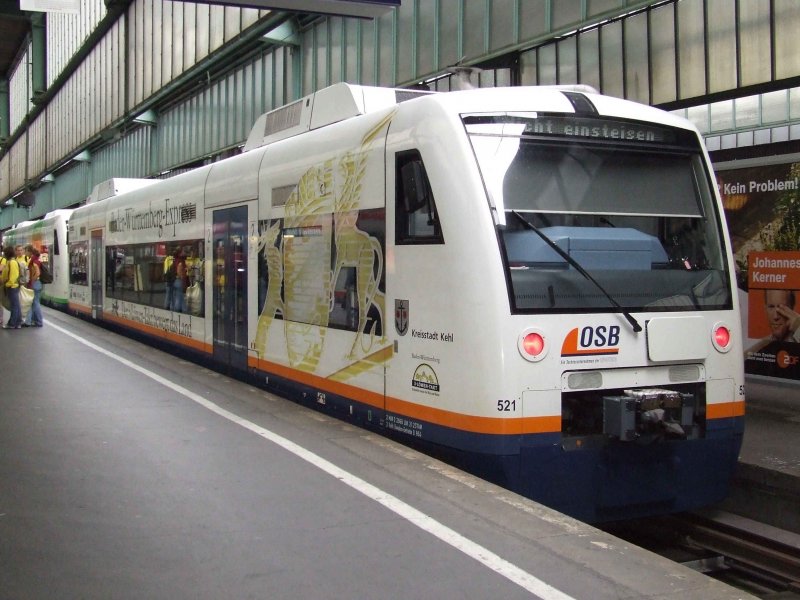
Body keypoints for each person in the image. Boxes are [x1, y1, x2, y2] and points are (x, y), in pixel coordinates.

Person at [1, 246, 22, 329]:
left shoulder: (12, 262)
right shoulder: (10, 262)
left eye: (4, 253)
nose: (3, 254)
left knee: (14, 306)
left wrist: (7, 284)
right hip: (12, 286)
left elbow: (13, 276)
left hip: (12, 287)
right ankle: (18, 322)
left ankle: (12, 323)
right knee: (16, 305)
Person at [23, 247, 43, 327]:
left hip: (35, 283)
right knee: (33, 303)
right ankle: (31, 321)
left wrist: (32, 281)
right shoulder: (35, 260)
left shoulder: (34, 262)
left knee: (35, 303)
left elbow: (37, 273)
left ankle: (38, 321)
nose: (25, 253)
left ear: (30, 252)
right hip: (36, 283)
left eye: (26, 251)